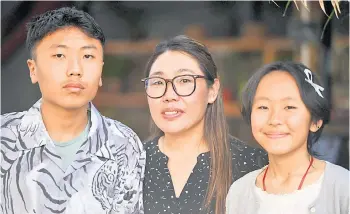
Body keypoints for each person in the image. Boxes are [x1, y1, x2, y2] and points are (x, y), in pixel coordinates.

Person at [1, 7, 145, 214]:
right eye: (59, 55)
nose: (75, 69)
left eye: (88, 56)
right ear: (33, 70)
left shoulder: (124, 143)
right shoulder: (4, 138)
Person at [141, 35, 268, 214]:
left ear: (212, 90)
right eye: (158, 82)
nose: (169, 95)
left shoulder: (253, 166)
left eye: (184, 80)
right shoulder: (128, 164)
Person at [226, 61, 349, 214]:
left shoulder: (343, 187)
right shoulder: (239, 192)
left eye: (289, 107)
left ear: (315, 121)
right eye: (263, 107)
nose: (275, 119)